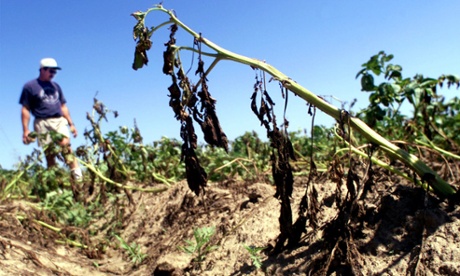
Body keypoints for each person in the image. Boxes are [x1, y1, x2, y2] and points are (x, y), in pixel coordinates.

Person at [19, 58, 83, 181]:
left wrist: (71, 124)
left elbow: (63, 106)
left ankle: (78, 179)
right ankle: (55, 184)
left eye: (55, 72)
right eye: (51, 71)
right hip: (42, 122)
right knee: (49, 155)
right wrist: (25, 130)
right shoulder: (30, 87)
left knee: (66, 146)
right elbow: (25, 109)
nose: (53, 74)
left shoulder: (56, 86)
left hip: (58, 120)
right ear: (42, 70)